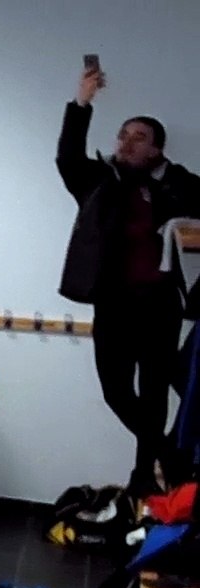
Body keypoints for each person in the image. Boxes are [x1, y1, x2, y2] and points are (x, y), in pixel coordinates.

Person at [56, 65, 200, 494]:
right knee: (116, 391)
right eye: (123, 134)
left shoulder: (181, 183)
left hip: (159, 304)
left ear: (157, 149)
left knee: (155, 393)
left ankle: (144, 481)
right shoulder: (101, 181)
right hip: (114, 303)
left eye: (138, 137)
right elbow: (67, 157)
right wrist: (81, 103)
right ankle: (167, 455)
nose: (126, 141)